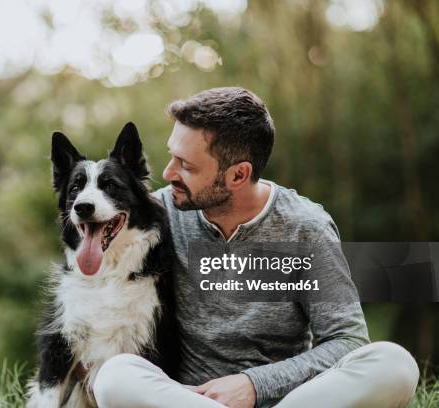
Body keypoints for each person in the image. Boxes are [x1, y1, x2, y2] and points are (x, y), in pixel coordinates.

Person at [92, 87, 420, 408]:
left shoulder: (305, 228)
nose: (168, 173)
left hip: (289, 400)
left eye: (187, 166)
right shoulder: (157, 215)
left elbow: (347, 340)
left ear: (238, 175)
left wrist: (255, 384)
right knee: (115, 376)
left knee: (394, 365)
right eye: (171, 156)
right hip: (188, 398)